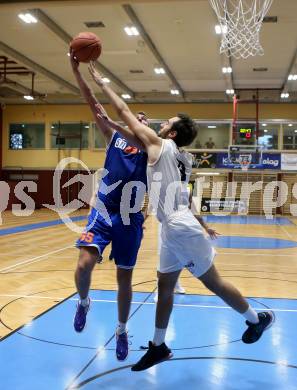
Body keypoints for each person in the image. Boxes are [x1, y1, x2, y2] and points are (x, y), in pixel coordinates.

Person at [88, 61, 274, 372]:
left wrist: (103, 82)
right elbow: (132, 135)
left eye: (167, 122)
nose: (161, 123)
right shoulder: (176, 156)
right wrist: (117, 126)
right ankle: (159, 346)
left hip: (179, 227)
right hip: (171, 227)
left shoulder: (163, 146)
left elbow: (125, 113)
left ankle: (256, 320)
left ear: (172, 132)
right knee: (165, 286)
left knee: (212, 282)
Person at [71, 53, 148, 362]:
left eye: (144, 120)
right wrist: (75, 71)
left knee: (124, 279)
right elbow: (91, 101)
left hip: (130, 218)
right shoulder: (113, 137)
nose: (140, 119)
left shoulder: (151, 147)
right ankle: (84, 301)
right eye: (137, 117)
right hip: (103, 211)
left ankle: (121, 329)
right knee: (82, 265)